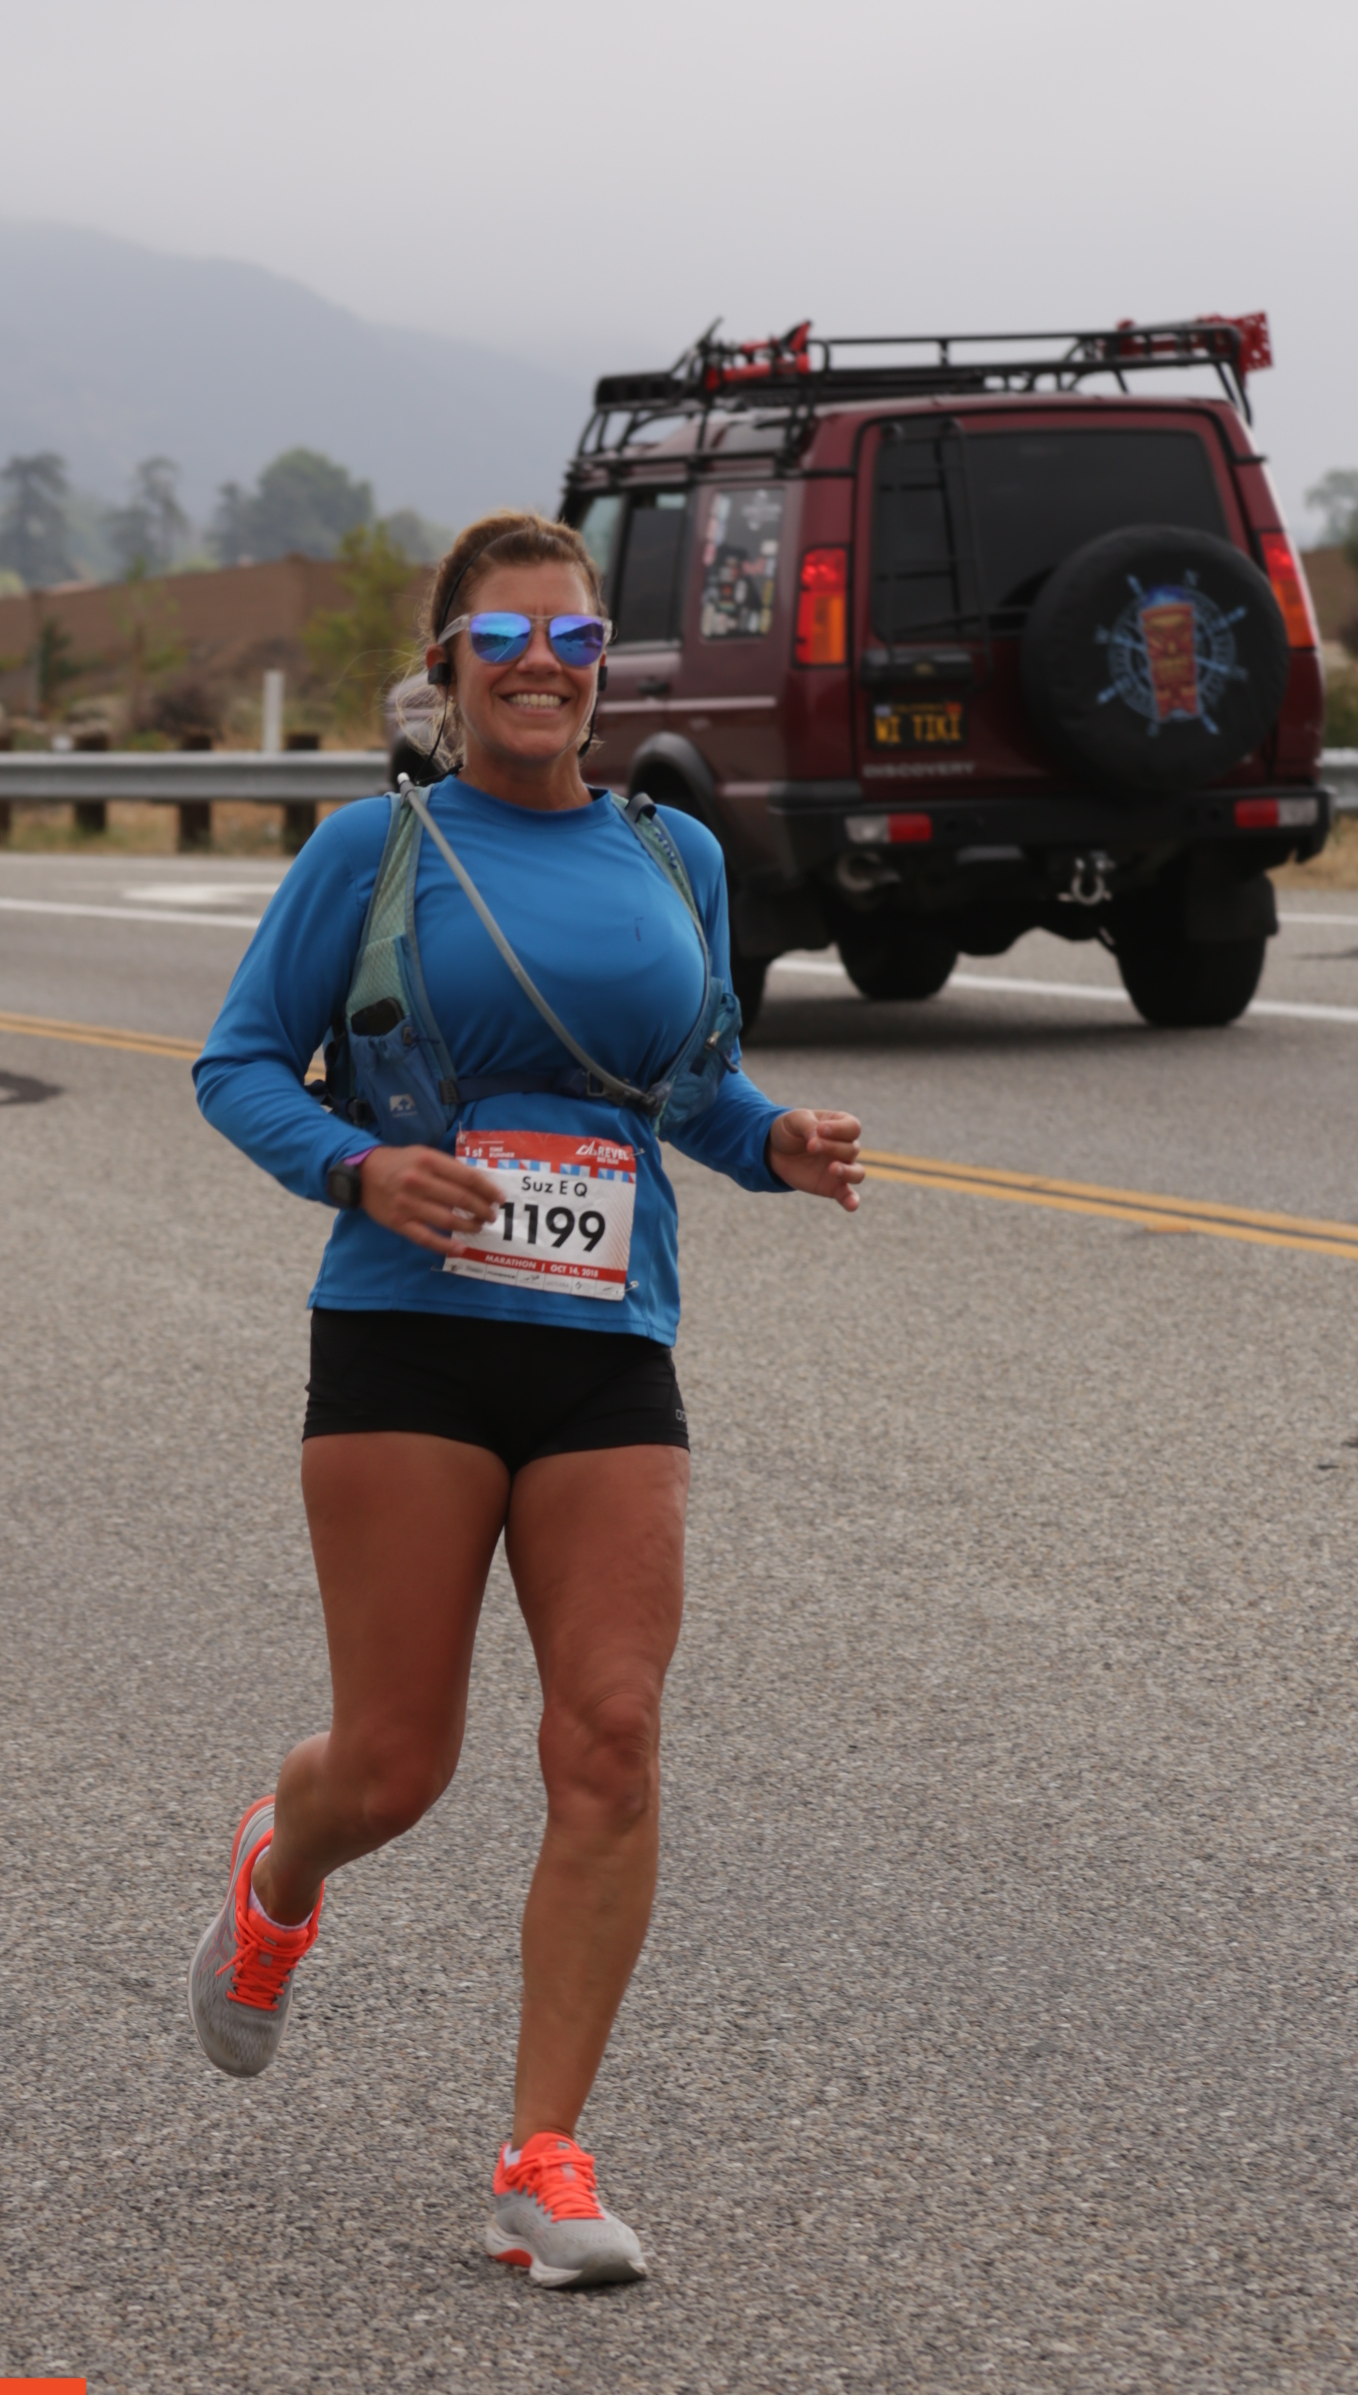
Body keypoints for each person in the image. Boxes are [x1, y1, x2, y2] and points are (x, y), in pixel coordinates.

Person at [189, 508, 862, 2288]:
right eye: (504, 642)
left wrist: (776, 1143)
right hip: (406, 1337)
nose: (543, 668)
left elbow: (695, 1088)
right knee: (392, 1769)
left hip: (606, 1345)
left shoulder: (672, 855)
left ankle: (541, 2162)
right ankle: (280, 1872)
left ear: (602, 667)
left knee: (612, 1740)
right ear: (448, 669)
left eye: (573, 639)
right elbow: (239, 1064)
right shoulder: (376, 847)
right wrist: (356, 1168)